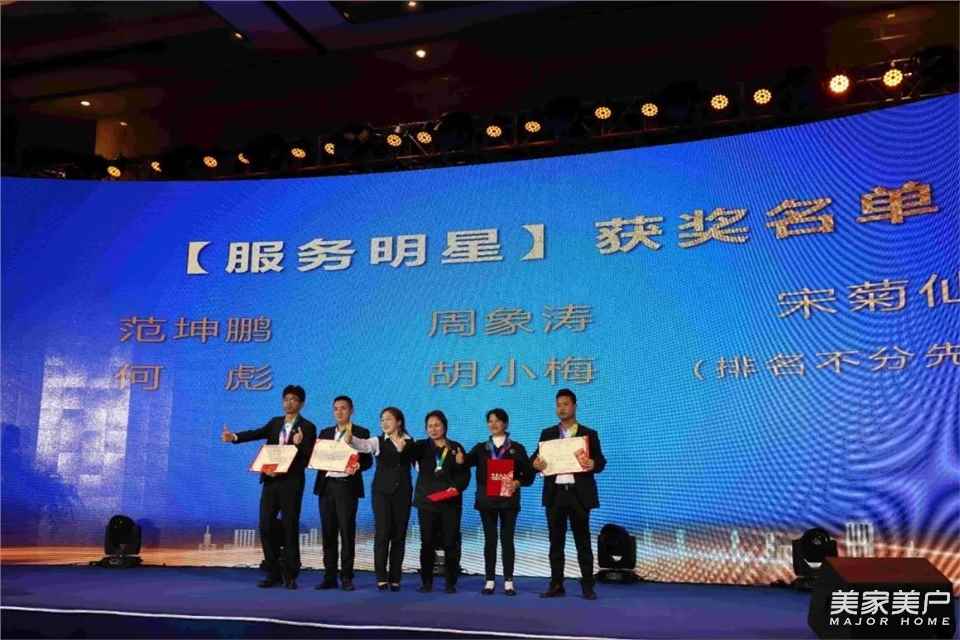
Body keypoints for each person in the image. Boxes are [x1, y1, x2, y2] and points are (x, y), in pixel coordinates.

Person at [221, 384, 317, 589]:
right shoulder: (275, 423)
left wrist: (299, 444)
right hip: (271, 482)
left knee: (290, 526)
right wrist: (234, 437)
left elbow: (308, 458)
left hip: (291, 483)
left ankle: (290, 574)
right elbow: (256, 433)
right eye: (286, 399)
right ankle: (272, 571)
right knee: (265, 525)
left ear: (301, 404)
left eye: (293, 400)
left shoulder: (308, 427)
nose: (289, 403)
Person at [532, 388, 606, 600]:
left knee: (583, 542)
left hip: (578, 495)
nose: (561, 408)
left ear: (574, 406)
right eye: (558, 405)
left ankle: (588, 586)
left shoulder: (588, 434)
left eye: (565, 404)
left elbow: (601, 461)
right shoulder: (547, 434)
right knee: (555, 542)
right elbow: (534, 459)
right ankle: (556, 584)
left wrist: (592, 463)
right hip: (555, 494)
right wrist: (536, 464)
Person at [463, 408, 534, 596]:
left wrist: (517, 482)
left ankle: (509, 581)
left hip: (508, 501)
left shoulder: (517, 448)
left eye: (497, 420)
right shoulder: (481, 448)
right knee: (490, 540)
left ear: (506, 424)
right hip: (487, 502)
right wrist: (459, 457)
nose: (493, 424)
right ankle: (490, 580)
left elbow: (529, 475)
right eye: (490, 421)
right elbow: (465, 462)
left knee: (507, 540)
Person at [342, 407, 414, 591]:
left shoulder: (410, 441)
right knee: (382, 533)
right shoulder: (378, 441)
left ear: (399, 422)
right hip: (381, 493)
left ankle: (395, 578)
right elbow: (362, 444)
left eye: (388, 419)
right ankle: (381, 577)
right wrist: (350, 439)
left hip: (403, 493)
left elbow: (417, 463)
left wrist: (402, 449)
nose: (384, 423)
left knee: (399, 535)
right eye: (382, 420)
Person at [313, 395, 373, 591]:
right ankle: (329, 576)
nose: (339, 412)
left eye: (343, 408)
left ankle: (346, 577)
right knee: (328, 533)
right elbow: (317, 458)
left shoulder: (361, 432)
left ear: (351, 410)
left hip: (347, 486)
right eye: (336, 408)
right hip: (327, 487)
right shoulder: (325, 433)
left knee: (347, 533)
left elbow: (368, 462)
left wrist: (357, 466)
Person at [409, 410, 470, 593]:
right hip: (427, 502)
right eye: (429, 426)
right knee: (427, 543)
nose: (433, 429)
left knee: (451, 543)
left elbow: (464, 474)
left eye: (437, 425)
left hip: (450, 503)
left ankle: (450, 583)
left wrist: (457, 484)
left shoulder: (455, 447)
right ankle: (426, 582)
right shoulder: (420, 447)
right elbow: (404, 452)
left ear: (444, 426)